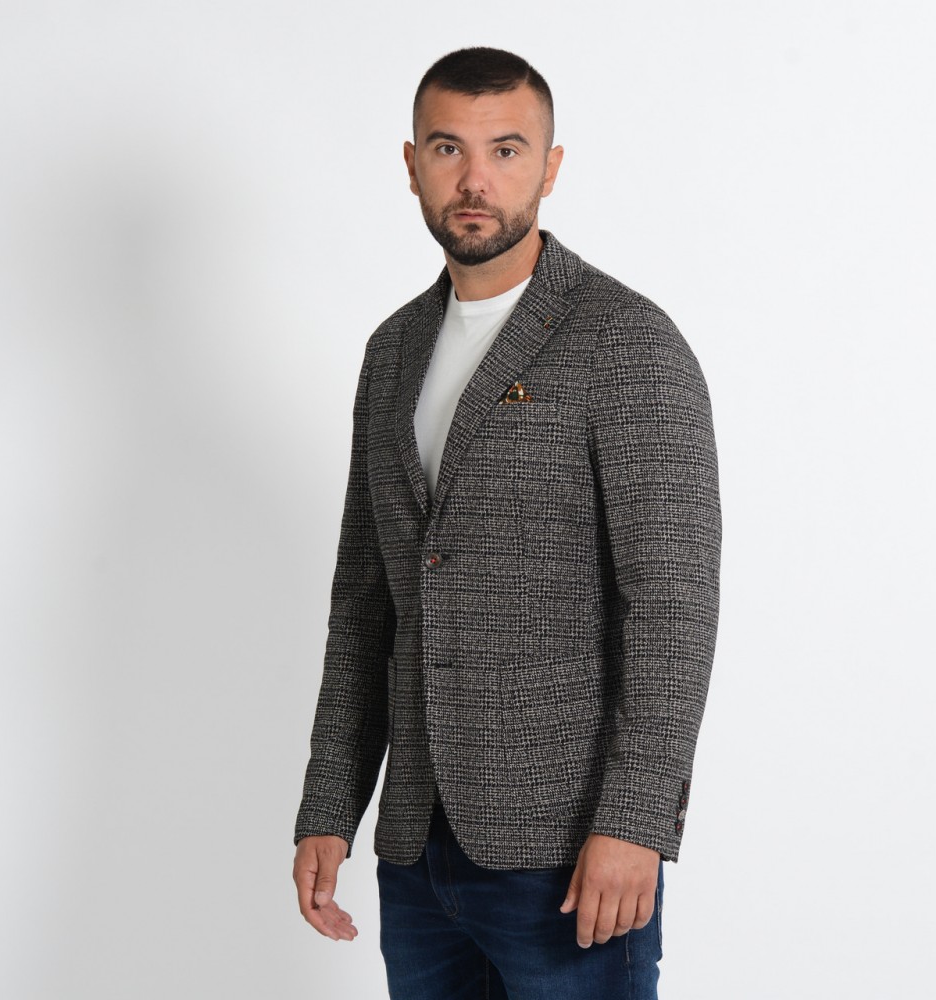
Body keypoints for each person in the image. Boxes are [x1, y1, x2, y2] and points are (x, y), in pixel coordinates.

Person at [292, 46, 721, 1000]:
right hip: (417, 853)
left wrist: (636, 821)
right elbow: (364, 605)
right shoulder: (393, 350)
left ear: (550, 167)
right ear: (412, 165)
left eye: (507, 149)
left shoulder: (626, 341)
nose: (475, 179)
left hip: (568, 850)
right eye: (449, 148)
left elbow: (673, 606)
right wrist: (330, 803)